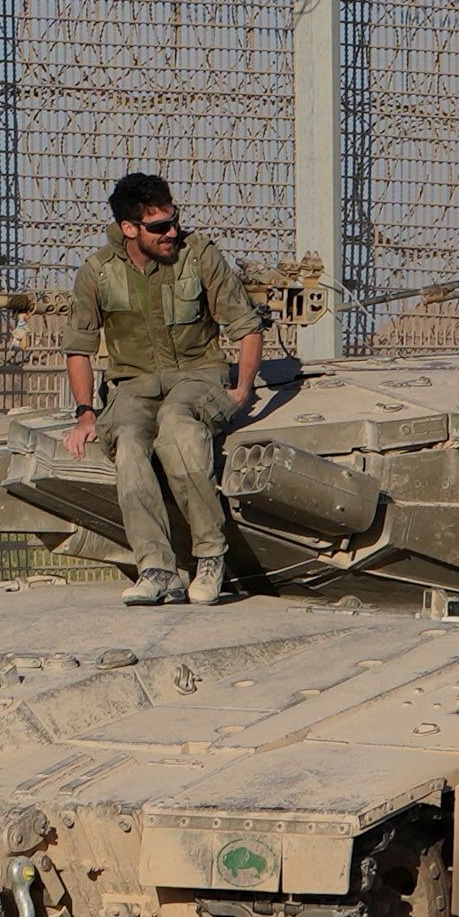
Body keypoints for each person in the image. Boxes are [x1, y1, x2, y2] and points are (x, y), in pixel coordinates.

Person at [64, 172, 266, 607]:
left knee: (177, 427)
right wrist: (85, 413)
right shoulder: (98, 273)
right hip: (133, 385)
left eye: (174, 221)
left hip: (197, 375)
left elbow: (248, 327)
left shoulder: (200, 256)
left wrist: (243, 389)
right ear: (129, 229)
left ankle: (211, 556)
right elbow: (78, 349)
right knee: (131, 444)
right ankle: (156, 569)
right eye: (159, 227)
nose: (172, 232)